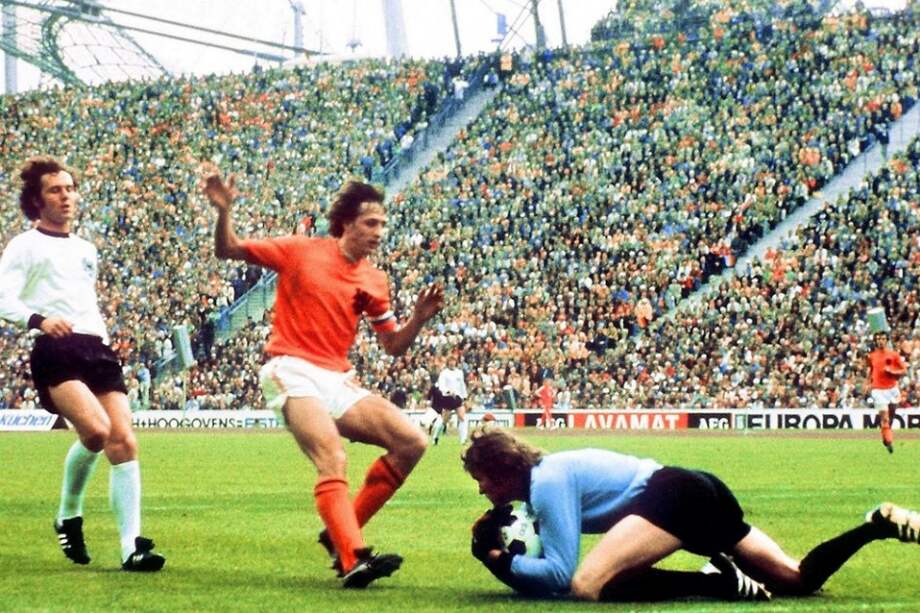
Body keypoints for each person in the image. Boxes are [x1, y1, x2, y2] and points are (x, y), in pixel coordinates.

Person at [202, 168, 444, 588]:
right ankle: (352, 557)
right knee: (332, 458)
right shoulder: (300, 250)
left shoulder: (374, 278)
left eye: (383, 224)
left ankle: (340, 533)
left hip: (336, 377)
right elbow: (229, 249)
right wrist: (224, 212)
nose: (379, 231)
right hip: (289, 368)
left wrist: (419, 319)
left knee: (412, 442)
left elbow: (392, 347)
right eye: (371, 223)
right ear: (347, 222)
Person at [463, 427, 920, 602]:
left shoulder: (548, 482)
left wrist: (502, 562)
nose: (482, 488)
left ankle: (720, 582)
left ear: (505, 470)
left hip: (673, 496)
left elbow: (561, 574)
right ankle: (874, 525)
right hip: (697, 487)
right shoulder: (547, 480)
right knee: (796, 579)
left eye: (482, 478)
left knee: (589, 585)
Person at [0, 156, 165, 572]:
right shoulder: (25, 245)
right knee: (95, 431)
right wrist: (38, 320)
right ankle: (68, 513)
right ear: (37, 201)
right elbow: (3, 296)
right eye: (56, 190)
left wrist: (105, 339)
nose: (67, 196)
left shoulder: (86, 248)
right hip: (55, 347)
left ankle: (132, 547)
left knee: (124, 440)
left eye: (70, 188)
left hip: (97, 347)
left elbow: (84, 300)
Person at [867, 331, 908, 453]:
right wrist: (867, 383)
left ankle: (886, 435)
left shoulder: (894, 355)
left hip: (892, 390)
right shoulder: (871, 356)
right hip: (878, 390)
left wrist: (892, 371)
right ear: (875, 341)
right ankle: (889, 441)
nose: (880, 341)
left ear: (887, 340)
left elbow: (903, 370)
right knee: (884, 417)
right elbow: (870, 370)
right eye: (878, 339)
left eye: (883, 339)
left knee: (890, 417)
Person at [429, 354, 468, 445]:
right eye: (450, 361)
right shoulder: (444, 373)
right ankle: (435, 437)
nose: (452, 363)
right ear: (448, 362)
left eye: (454, 361)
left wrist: (464, 396)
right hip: (448, 398)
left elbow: (462, 385)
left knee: (462, 417)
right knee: (445, 420)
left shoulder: (459, 372)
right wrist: (448, 391)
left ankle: (463, 440)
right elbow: (441, 385)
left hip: (458, 397)